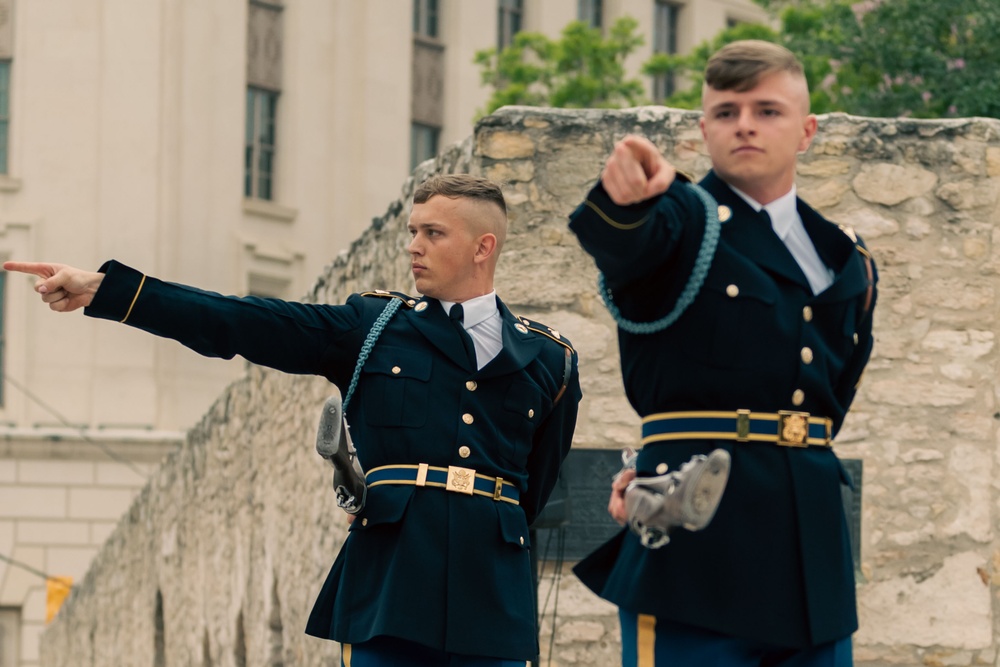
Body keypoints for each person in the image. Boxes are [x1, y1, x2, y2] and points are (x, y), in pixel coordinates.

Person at [5, 174, 582, 667]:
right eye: (412, 231)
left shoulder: (551, 360)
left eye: (433, 233)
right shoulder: (373, 327)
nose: (414, 246)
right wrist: (108, 290)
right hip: (392, 586)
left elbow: (532, 489)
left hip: (494, 596)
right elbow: (242, 321)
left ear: (483, 248)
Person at [568, 40, 877, 667]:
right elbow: (627, 247)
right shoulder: (682, 220)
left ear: (807, 131)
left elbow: (830, 397)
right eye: (726, 111)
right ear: (703, 129)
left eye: (767, 110)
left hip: (811, 549)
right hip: (696, 547)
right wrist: (628, 199)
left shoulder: (847, 258)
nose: (744, 125)